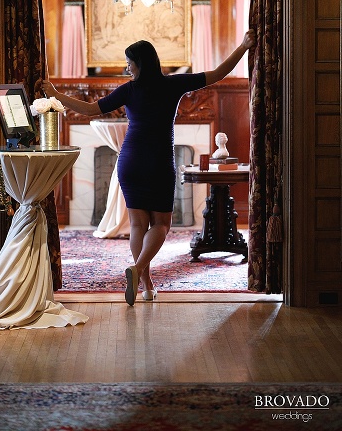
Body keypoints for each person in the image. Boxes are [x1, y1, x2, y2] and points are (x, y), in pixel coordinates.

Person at [44, 30, 254, 306]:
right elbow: (217, 74)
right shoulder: (173, 84)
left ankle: (146, 283)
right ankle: (139, 270)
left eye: (129, 62)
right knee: (162, 224)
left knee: (137, 225)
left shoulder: (129, 90)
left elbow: (90, 109)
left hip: (130, 161)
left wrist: (56, 94)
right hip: (158, 160)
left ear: (141, 62)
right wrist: (243, 47)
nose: (126, 67)